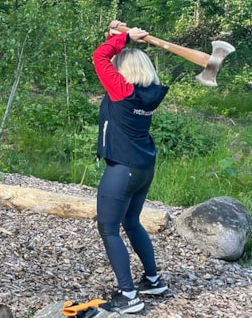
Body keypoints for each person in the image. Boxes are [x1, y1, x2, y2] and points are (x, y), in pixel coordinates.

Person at [92, 20, 170, 314]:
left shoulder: (122, 91)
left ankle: (129, 295)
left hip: (122, 169)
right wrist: (115, 36)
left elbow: (100, 58)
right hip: (142, 167)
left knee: (109, 228)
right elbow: (107, 59)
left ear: (123, 70)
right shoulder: (145, 92)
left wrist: (124, 37)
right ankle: (153, 280)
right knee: (132, 221)